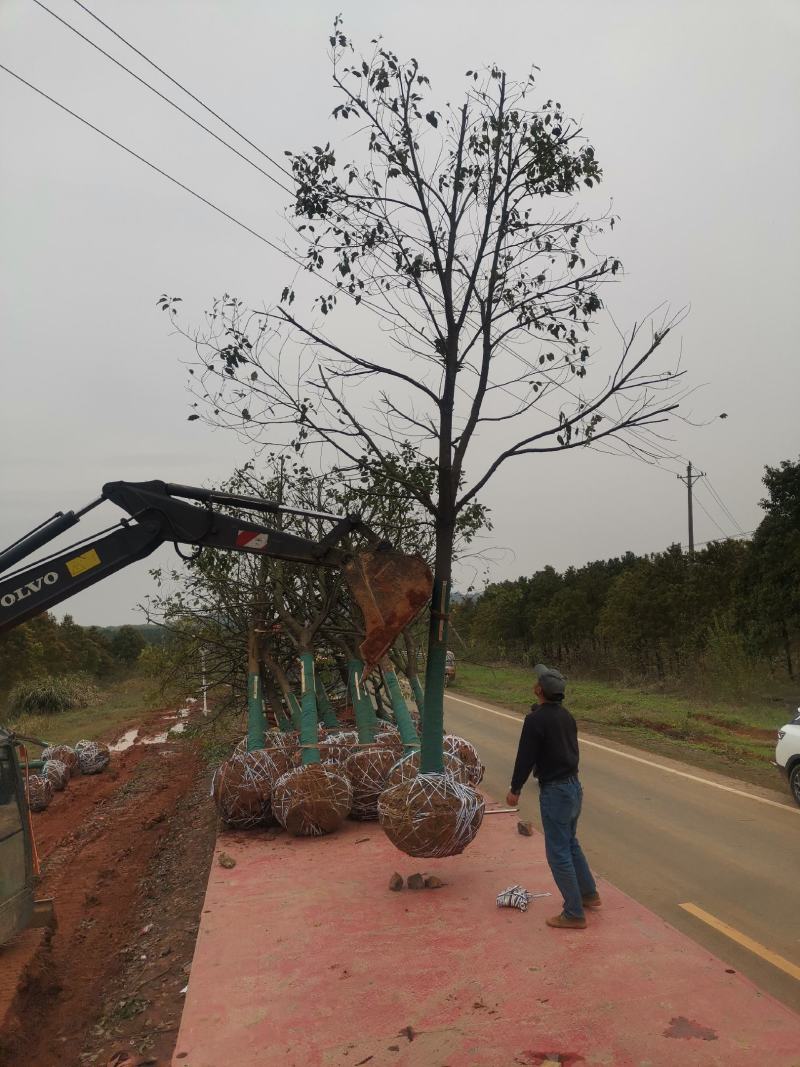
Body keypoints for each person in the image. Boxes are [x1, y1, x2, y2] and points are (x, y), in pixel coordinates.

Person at [506, 663, 600, 929]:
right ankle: (588, 894)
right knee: (570, 842)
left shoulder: (535, 720)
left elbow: (526, 757)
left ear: (539, 690)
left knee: (558, 852)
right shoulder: (566, 716)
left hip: (555, 791)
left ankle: (573, 913)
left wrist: (515, 789)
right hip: (573, 787)